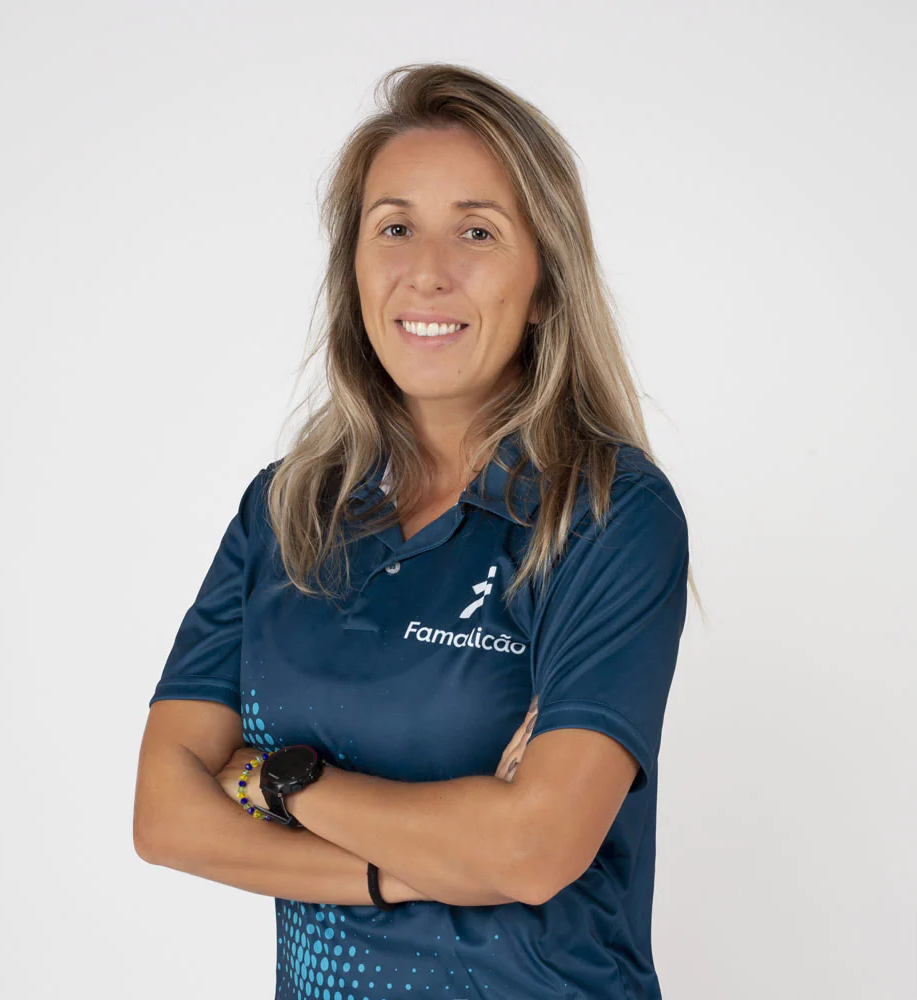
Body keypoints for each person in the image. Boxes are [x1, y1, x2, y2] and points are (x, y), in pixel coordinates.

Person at [134, 62, 700, 1000]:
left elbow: (532, 850)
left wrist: (280, 781)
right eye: (394, 228)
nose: (427, 271)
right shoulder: (285, 512)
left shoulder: (606, 514)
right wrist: (399, 871)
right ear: (354, 269)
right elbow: (164, 814)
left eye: (477, 232)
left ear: (545, 283)